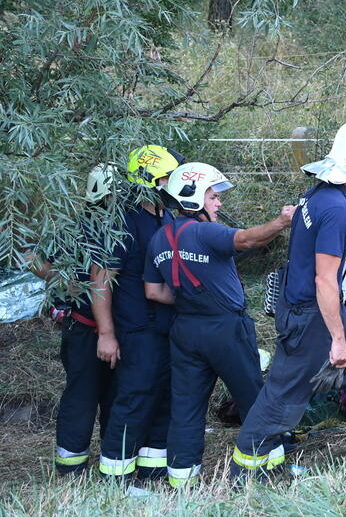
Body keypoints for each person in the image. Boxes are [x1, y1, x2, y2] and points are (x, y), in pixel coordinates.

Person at [231, 120, 346, 477]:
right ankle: (245, 470)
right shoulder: (336, 211)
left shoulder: (317, 194)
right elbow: (325, 280)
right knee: (283, 395)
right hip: (311, 312)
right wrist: (336, 339)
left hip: (306, 305)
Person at [143, 162, 294, 487]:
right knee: (254, 399)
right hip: (226, 329)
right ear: (194, 198)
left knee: (186, 407)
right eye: (213, 196)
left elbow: (153, 292)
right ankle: (269, 471)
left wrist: (192, 300)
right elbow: (247, 240)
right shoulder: (204, 231)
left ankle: (182, 481)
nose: (219, 203)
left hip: (184, 331)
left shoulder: (159, 239)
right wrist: (282, 221)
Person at [94, 145, 184, 481]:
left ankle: (152, 472)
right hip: (137, 328)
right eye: (167, 177)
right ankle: (115, 477)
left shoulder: (166, 216)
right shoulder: (124, 220)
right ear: (149, 179)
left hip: (165, 326)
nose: (173, 183)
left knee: (163, 398)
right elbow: (100, 278)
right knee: (134, 398)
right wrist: (106, 334)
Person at [30, 164, 117, 475]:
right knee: (84, 394)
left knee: (106, 394)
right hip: (86, 327)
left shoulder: (98, 223)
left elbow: (34, 259)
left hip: (107, 328)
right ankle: (72, 465)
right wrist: (66, 281)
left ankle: (106, 459)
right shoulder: (75, 225)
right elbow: (34, 258)